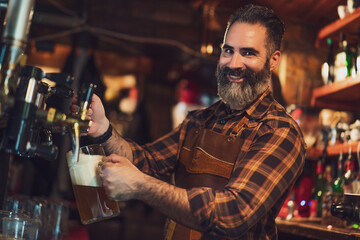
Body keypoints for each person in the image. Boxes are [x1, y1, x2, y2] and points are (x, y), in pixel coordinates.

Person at [85, 4, 306, 239]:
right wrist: (104, 130)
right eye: (228, 50)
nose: (233, 64)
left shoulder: (279, 131)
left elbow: (233, 213)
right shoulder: (200, 120)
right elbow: (146, 161)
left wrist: (141, 186)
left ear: (273, 60)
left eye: (248, 53)